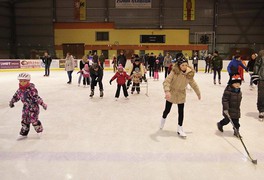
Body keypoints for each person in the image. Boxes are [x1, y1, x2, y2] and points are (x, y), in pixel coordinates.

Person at [160, 57, 201, 137]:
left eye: (186, 65)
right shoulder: (174, 72)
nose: (184, 67)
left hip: (181, 93)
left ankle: (180, 128)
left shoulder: (189, 74)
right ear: (179, 65)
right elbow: (166, 81)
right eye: (182, 65)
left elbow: (193, 84)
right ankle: (163, 120)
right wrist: (167, 91)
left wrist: (198, 93)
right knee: (167, 110)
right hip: (172, 92)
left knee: (181, 111)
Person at [9, 73, 47, 140]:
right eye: (20, 81)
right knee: (25, 120)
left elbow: (36, 98)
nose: (22, 83)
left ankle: (39, 130)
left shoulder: (32, 90)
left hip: (33, 108)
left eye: (24, 81)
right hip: (25, 107)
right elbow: (16, 97)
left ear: (28, 81)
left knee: (34, 120)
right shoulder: (19, 90)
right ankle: (24, 133)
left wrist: (42, 103)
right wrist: (12, 101)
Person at [252, 50, 264, 120]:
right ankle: (261, 110)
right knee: (261, 95)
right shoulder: (262, 53)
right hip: (262, 78)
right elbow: (256, 65)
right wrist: (255, 75)